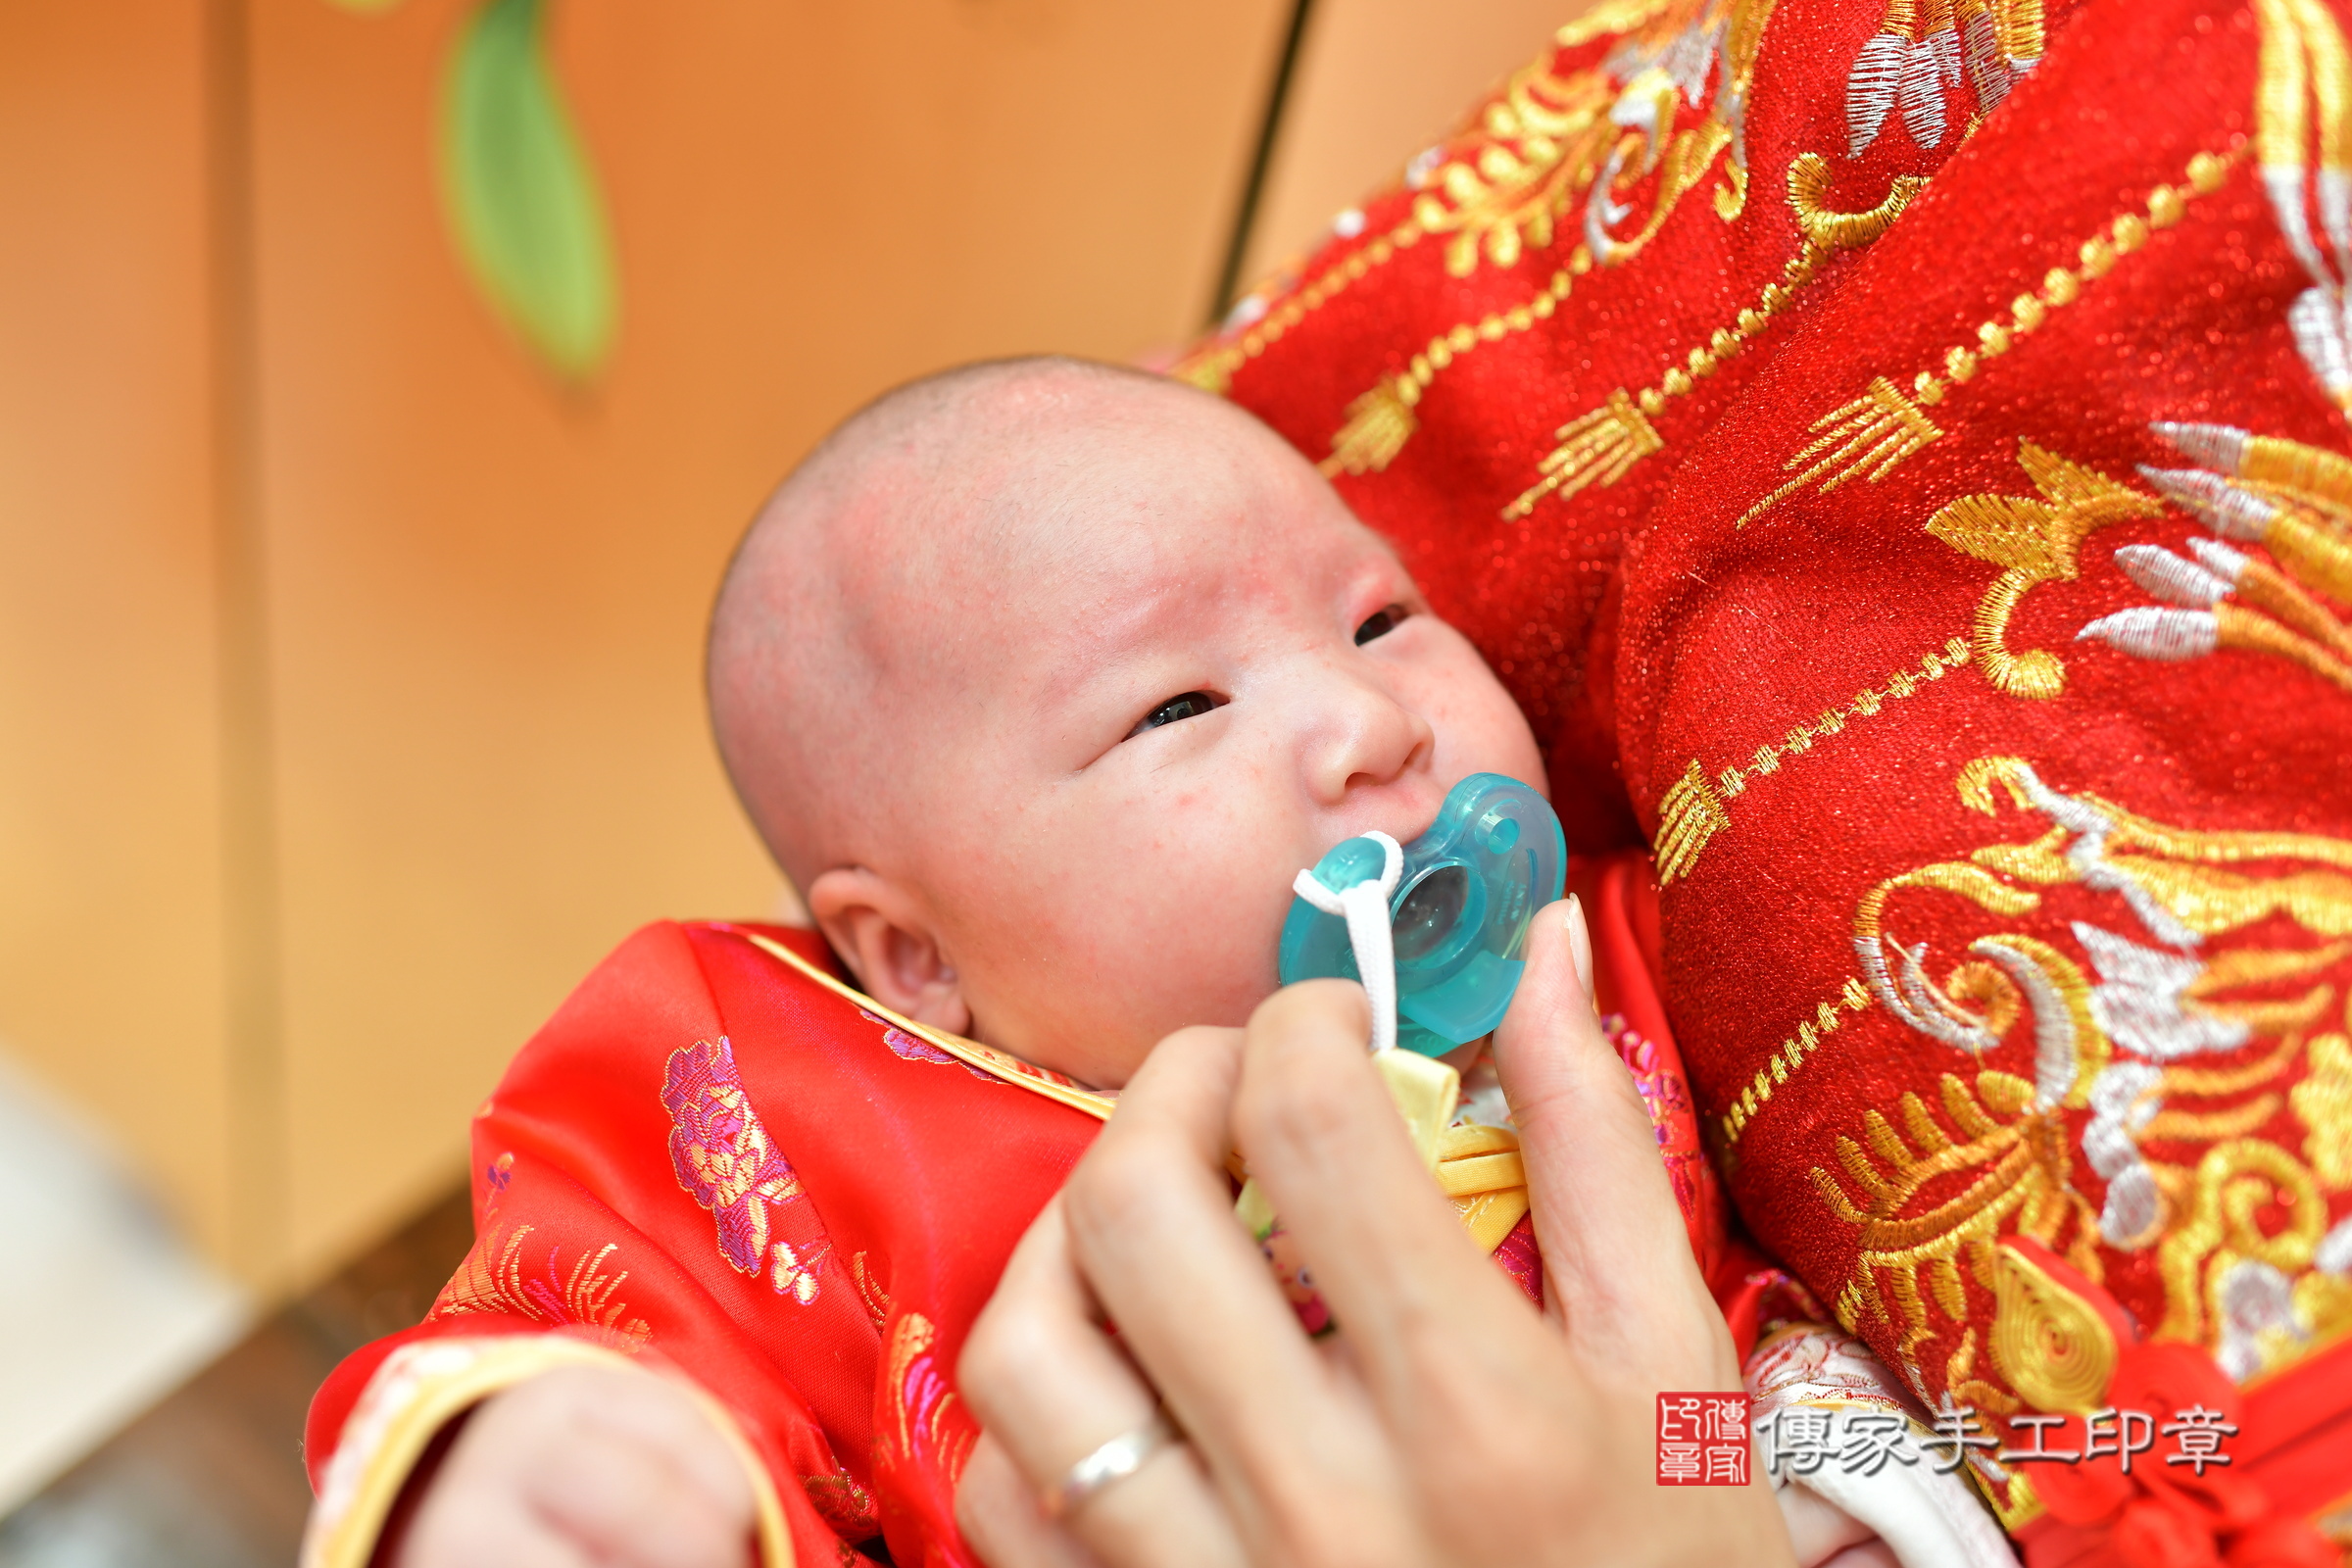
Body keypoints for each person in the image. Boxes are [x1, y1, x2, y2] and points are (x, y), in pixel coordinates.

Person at [298, 359, 1995, 1568]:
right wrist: (562, 1465)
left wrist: (1843, 1507)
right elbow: (623, 1310)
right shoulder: (802, 1107)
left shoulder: (1626, 962)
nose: (1368, 723)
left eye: (1380, 616)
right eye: (1179, 706)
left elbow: (1789, 1342)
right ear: (913, 952)